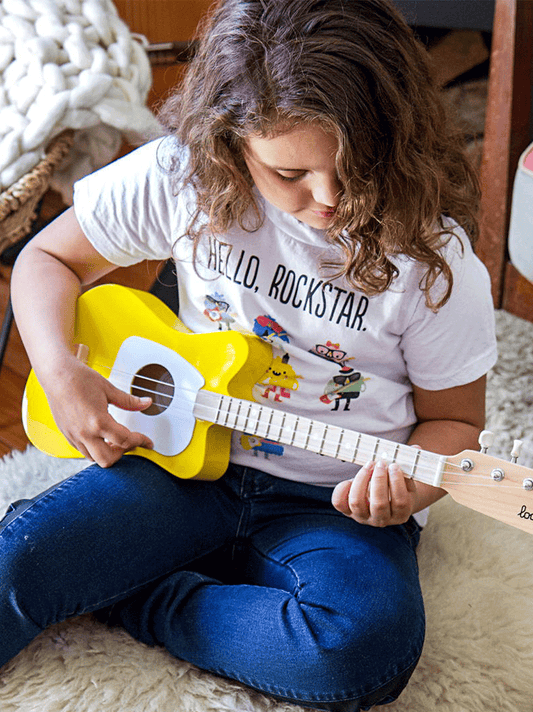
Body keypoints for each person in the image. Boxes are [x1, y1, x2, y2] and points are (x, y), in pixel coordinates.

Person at [2, 0, 497, 709]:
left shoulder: (432, 261)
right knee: (19, 558)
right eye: (289, 173)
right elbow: (46, 258)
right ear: (231, 145)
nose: (327, 199)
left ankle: (145, 599)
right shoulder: (182, 179)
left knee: (360, 655)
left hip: (334, 506)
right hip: (181, 460)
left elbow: (456, 425)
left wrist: (409, 488)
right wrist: (57, 366)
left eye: (352, 166)